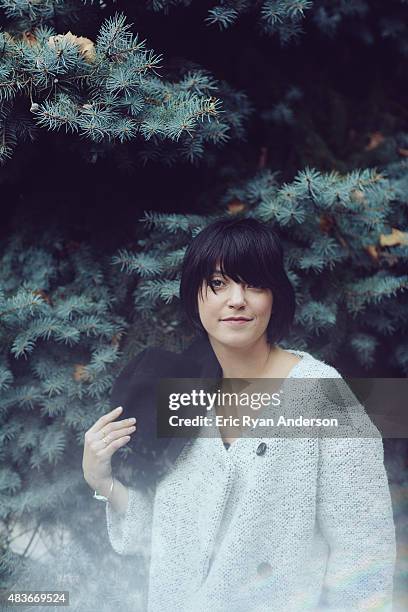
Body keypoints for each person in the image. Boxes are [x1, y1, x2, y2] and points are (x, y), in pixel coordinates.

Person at [82, 217, 396, 611]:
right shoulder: (181, 391)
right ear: (195, 296)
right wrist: (102, 479)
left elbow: (365, 550)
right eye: (218, 284)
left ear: (275, 296)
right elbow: (160, 532)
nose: (236, 299)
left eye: (254, 283)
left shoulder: (322, 396)